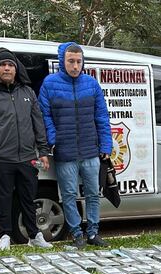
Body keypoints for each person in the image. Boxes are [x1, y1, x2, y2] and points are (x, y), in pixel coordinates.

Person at [0, 48, 53, 251]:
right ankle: (4, 235)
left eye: (10, 65)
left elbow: (38, 123)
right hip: (0, 158)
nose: (7, 68)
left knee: (28, 198)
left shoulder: (27, 92)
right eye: (2, 65)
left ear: (16, 70)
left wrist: (42, 150)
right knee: (3, 200)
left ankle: (34, 235)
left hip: (26, 157)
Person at [38, 42, 112, 249]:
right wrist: (53, 139)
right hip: (65, 151)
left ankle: (93, 233)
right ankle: (77, 234)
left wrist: (106, 144)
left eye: (79, 61)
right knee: (69, 194)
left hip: (90, 150)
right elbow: (44, 116)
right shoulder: (49, 84)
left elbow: (102, 116)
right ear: (62, 61)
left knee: (92, 193)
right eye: (71, 61)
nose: (75, 65)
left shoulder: (91, 84)